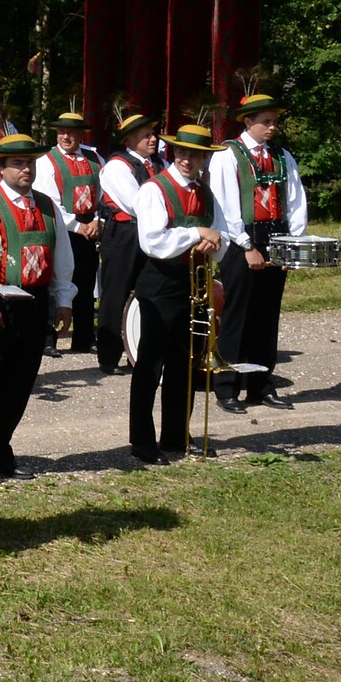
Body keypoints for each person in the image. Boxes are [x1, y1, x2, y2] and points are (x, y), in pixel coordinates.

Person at [0, 134, 71, 486]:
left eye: (30, 163)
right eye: (18, 164)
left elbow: (62, 256)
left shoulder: (48, 205)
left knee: (19, 382)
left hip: (35, 302)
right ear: (0, 169)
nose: (26, 169)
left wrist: (64, 300)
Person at [129, 124, 224, 464]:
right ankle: (142, 441)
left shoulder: (206, 192)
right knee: (150, 366)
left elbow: (221, 234)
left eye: (195, 154)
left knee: (185, 366)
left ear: (203, 158)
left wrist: (213, 242)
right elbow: (153, 241)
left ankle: (175, 436)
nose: (188, 160)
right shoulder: (155, 189)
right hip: (160, 283)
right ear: (173, 153)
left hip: (192, 282)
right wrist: (195, 233)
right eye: (182, 153)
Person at [210, 93, 307, 411]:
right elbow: (223, 204)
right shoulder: (228, 155)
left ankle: (261, 386)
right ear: (248, 121)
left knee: (267, 316)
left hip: (277, 241)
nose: (272, 127)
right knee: (238, 315)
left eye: (274, 121)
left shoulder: (282, 156)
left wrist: (293, 243)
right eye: (266, 121)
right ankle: (226, 386)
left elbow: (295, 200)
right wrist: (246, 245)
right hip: (242, 244)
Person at [95, 111, 166, 375]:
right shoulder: (117, 166)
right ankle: (109, 355)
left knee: (147, 292)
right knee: (117, 292)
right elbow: (136, 203)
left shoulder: (160, 164)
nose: (153, 139)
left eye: (153, 134)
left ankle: (137, 350)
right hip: (123, 234)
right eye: (146, 135)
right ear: (130, 140)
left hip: (150, 232)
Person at [34, 112, 102, 358]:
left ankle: (84, 337)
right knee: (55, 280)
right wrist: (75, 225)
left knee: (86, 281)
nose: (66, 136)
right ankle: (48, 338)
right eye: (61, 132)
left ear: (80, 134)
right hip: (62, 226)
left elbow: (105, 195)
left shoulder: (95, 157)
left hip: (90, 226)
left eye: (71, 132)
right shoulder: (46, 161)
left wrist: (98, 220)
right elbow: (49, 199)